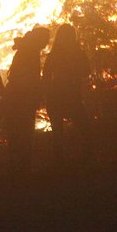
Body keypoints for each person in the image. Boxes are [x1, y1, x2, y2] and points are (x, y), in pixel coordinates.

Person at [3, 26, 50, 176]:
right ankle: (21, 166)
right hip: (22, 98)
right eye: (45, 39)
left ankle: (17, 165)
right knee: (22, 131)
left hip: (18, 97)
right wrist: (34, 94)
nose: (47, 42)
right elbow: (27, 78)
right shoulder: (29, 53)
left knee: (17, 131)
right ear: (39, 39)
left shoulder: (27, 50)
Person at [43, 24, 92, 163]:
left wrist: (46, 94)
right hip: (71, 96)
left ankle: (58, 162)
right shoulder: (76, 53)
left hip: (57, 96)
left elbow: (46, 76)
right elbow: (86, 71)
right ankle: (86, 159)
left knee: (58, 133)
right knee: (85, 129)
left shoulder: (54, 55)